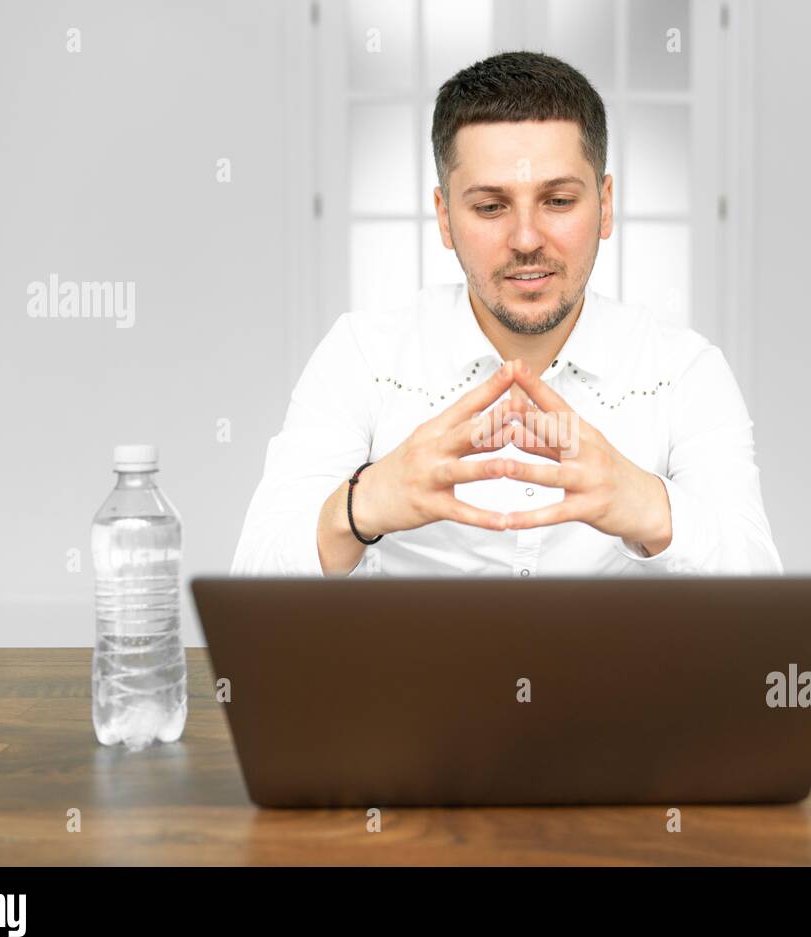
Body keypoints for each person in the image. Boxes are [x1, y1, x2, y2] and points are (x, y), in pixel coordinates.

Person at [232, 51, 782, 579]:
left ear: (606, 205)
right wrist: (362, 504)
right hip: (416, 675)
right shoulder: (362, 356)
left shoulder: (683, 370)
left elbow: (766, 600)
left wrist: (652, 507)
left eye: (559, 201)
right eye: (491, 207)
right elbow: (252, 583)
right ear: (445, 217)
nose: (525, 240)